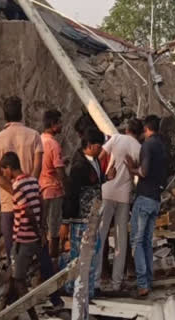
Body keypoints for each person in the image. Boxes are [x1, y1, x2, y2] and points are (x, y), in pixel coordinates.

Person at [0, 96, 43, 265]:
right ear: (21, 113)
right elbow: (37, 167)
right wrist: (27, 191)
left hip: (8, 204)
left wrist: (16, 192)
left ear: (5, 115)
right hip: (32, 204)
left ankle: (17, 284)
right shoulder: (34, 136)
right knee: (35, 248)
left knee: (12, 252)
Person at [97, 118, 142, 291]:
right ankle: (117, 282)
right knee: (121, 239)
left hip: (107, 190)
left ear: (127, 129)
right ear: (139, 133)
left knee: (101, 235)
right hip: (124, 195)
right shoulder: (138, 148)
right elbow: (135, 171)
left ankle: (98, 279)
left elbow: (100, 157)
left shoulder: (115, 138)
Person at [62, 127, 107, 298]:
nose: (100, 149)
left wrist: (106, 178)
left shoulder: (93, 161)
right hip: (81, 218)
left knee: (92, 253)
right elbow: (71, 193)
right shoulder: (79, 166)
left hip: (92, 217)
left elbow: (95, 180)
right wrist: (66, 221)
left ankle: (86, 289)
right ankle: (75, 290)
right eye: (98, 146)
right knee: (79, 255)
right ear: (89, 145)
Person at [126, 115, 168, 297]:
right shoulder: (162, 146)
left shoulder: (148, 145)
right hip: (156, 198)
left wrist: (131, 169)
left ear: (146, 128)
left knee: (137, 241)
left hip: (144, 197)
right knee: (146, 241)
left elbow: (143, 171)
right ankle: (148, 279)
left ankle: (143, 283)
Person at [0, 151, 43, 313]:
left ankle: (32, 315)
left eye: (4, 170)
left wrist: (38, 231)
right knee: (11, 276)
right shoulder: (33, 180)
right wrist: (41, 228)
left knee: (18, 280)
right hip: (29, 237)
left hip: (23, 238)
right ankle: (2, 311)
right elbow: (41, 203)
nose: (4, 174)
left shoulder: (17, 186)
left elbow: (28, 211)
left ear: (9, 168)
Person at [38, 110, 65, 265]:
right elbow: (59, 170)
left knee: (42, 226)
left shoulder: (39, 140)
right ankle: (52, 261)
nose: (61, 125)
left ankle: (43, 261)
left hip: (41, 189)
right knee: (54, 229)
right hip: (54, 190)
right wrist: (66, 188)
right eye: (59, 123)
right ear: (53, 125)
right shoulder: (54, 144)